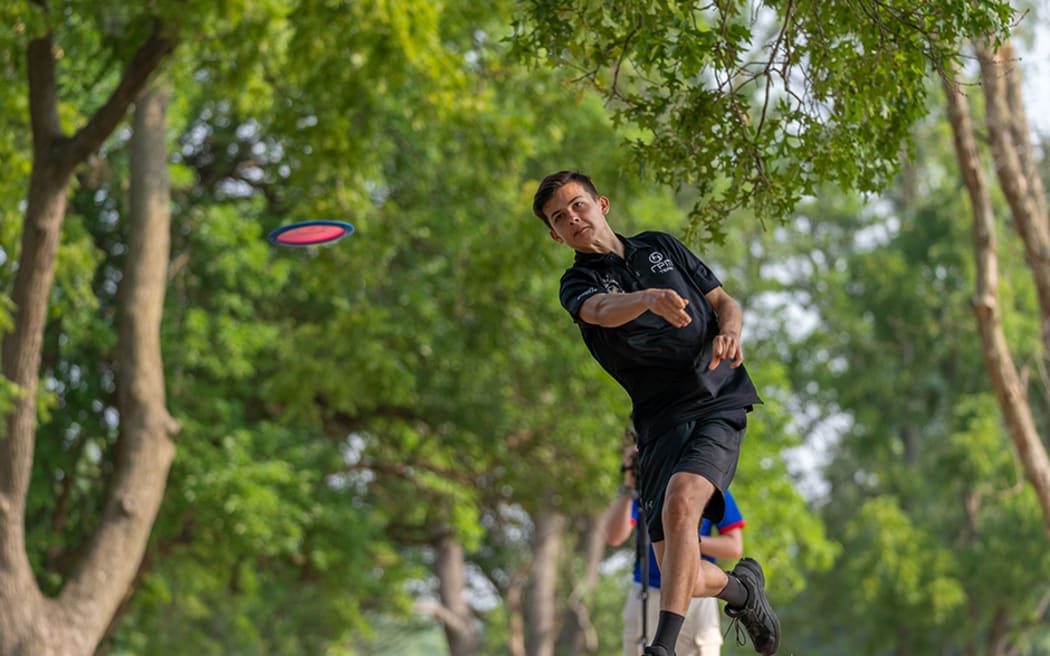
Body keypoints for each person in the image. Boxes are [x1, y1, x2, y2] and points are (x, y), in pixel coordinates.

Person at [532, 170, 780, 656]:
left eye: (578, 205)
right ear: (554, 234)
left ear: (600, 204)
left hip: (716, 396)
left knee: (683, 502)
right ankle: (742, 591)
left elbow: (723, 301)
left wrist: (730, 332)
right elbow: (601, 311)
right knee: (677, 574)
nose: (573, 219)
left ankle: (660, 648)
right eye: (559, 218)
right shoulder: (576, 281)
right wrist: (645, 299)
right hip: (658, 421)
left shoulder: (658, 246)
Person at [604, 444, 745, 656]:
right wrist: (630, 485)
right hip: (648, 594)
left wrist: (683, 541)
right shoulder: (647, 487)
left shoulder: (708, 485)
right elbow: (615, 536)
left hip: (697, 596)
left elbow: (734, 546)